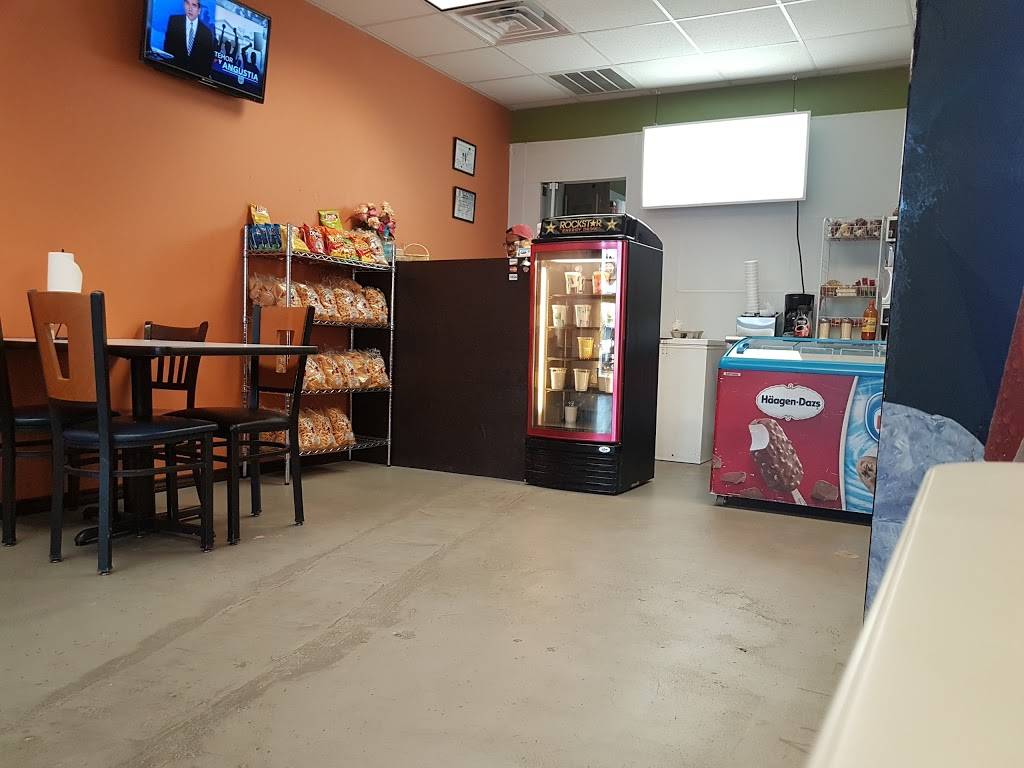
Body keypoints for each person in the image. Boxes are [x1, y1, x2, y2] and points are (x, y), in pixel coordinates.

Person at [164, 0, 215, 77]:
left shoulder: (207, 33)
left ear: (199, 10)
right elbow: (167, 48)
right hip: (171, 73)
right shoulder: (174, 21)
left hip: (194, 80)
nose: (190, 8)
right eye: (187, 3)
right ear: (184, 5)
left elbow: (207, 62)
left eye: (194, 5)